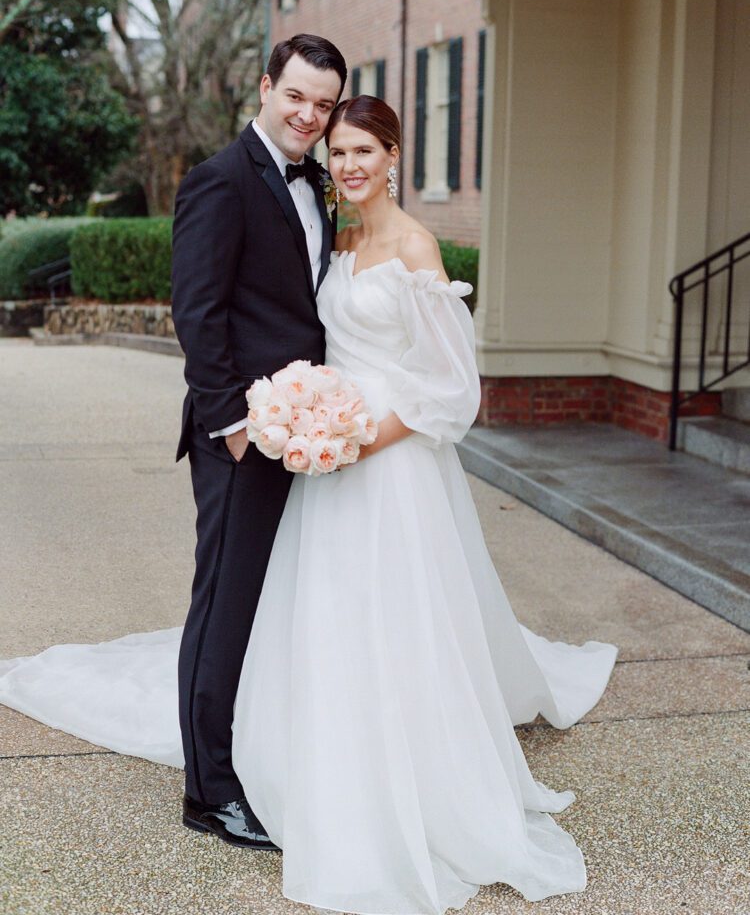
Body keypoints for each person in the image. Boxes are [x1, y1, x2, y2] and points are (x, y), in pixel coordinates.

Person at [0, 93, 617, 913]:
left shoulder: (416, 247)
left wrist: (361, 439)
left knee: (394, 617)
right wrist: (307, 420)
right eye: (340, 152)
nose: (351, 165)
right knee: (318, 611)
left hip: (388, 467)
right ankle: (307, 754)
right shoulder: (343, 235)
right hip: (323, 461)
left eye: (365, 149)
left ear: (394, 156)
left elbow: (451, 393)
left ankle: (407, 768)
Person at [170, 33, 346, 847]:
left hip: (304, 431)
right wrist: (234, 428)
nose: (309, 115)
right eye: (296, 97)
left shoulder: (318, 182)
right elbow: (198, 315)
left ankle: (258, 751)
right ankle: (209, 791)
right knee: (223, 608)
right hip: (245, 437)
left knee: (276, 604)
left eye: (323, 103)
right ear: (267, 87)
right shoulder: (220, 180)